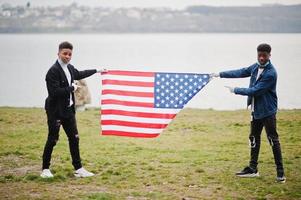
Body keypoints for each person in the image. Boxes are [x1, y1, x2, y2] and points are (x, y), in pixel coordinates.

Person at [210, 43, 286, 183]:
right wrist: (220, 74)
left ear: (270, 55)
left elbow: (255, 90)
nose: (262, 58)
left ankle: (280, 173)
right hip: (256, 110)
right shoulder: (255, 66)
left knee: (272, 140)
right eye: (259, 55)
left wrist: (236, 90)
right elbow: (241, 71)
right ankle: (252, 169)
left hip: (268, 112)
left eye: (264, 55)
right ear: (257, 54)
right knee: (254, 138)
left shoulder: (271, 73)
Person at [41, 41, 104, 178]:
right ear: (58, 53)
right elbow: (54, 92)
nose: (67, 56)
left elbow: (79, 74)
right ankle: (45, 169)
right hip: (55, 111)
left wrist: (97, 71)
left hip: (68, 111)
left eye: (70, 54)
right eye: (65, 54)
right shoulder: (53, 71)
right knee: (53, 139)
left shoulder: (69, 68)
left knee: (74, 139)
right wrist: (72, 88)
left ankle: (79, 168)